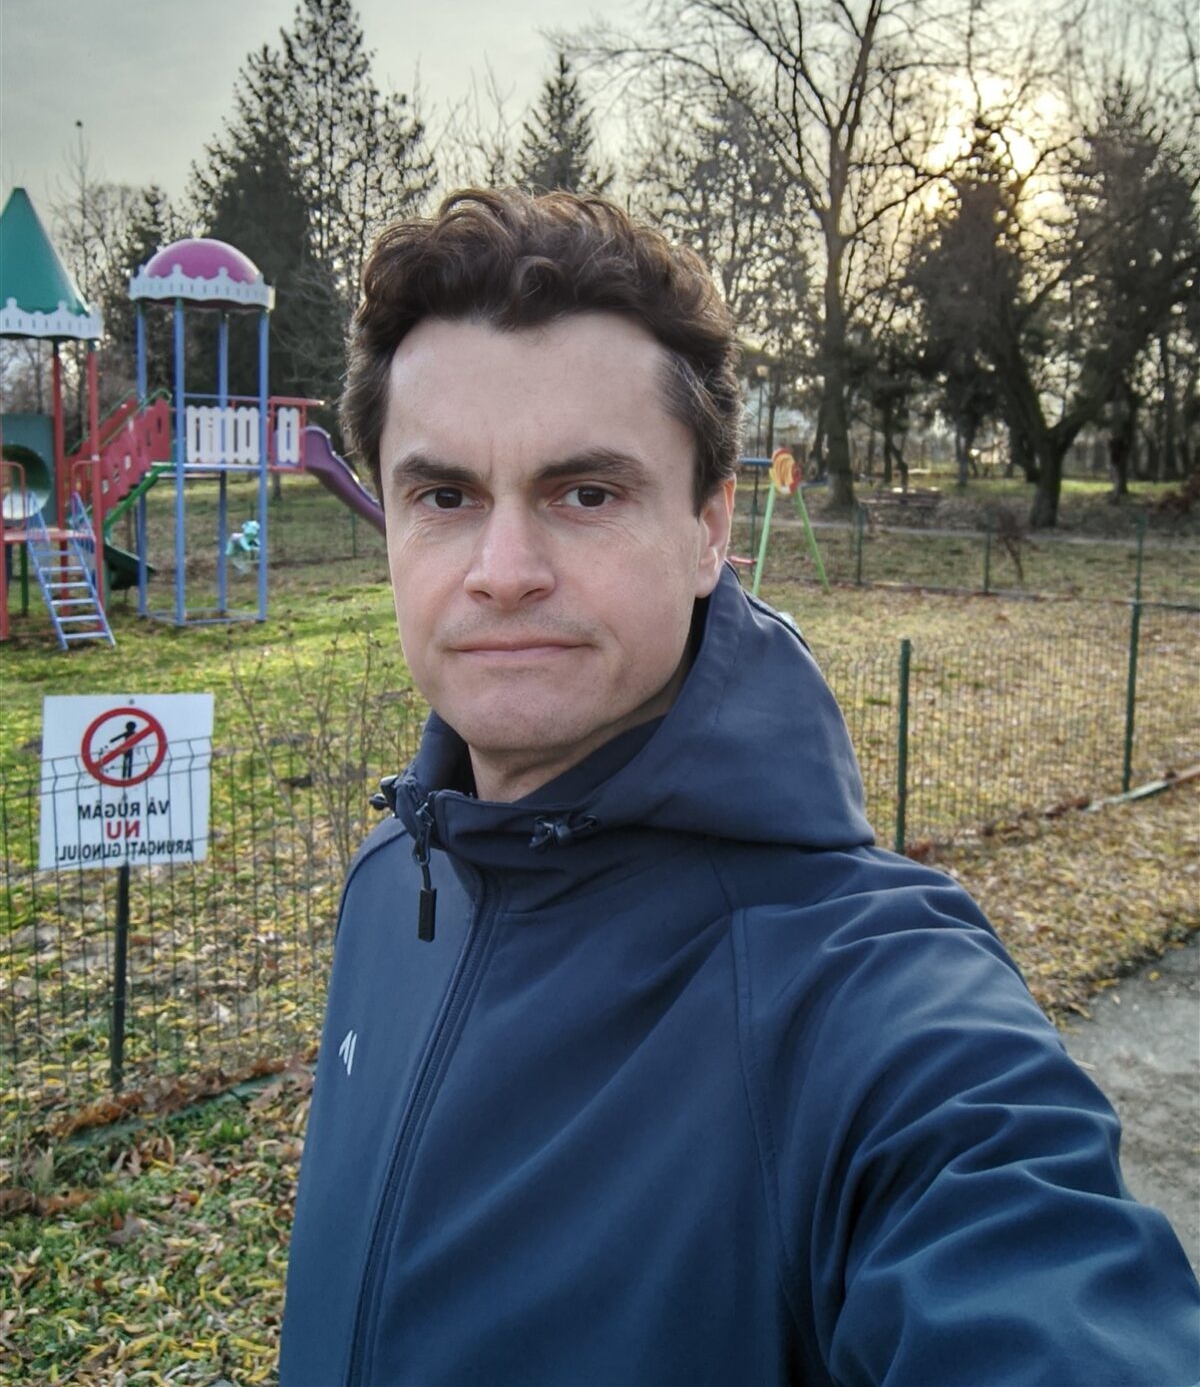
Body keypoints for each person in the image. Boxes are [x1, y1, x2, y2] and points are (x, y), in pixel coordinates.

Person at [280, 190, 1198, 1387]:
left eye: (586, 493)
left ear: (711, 530)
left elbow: (1037, 1284)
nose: (503, 573)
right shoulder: (389, 885)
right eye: (444, 497)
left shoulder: (860, 998)